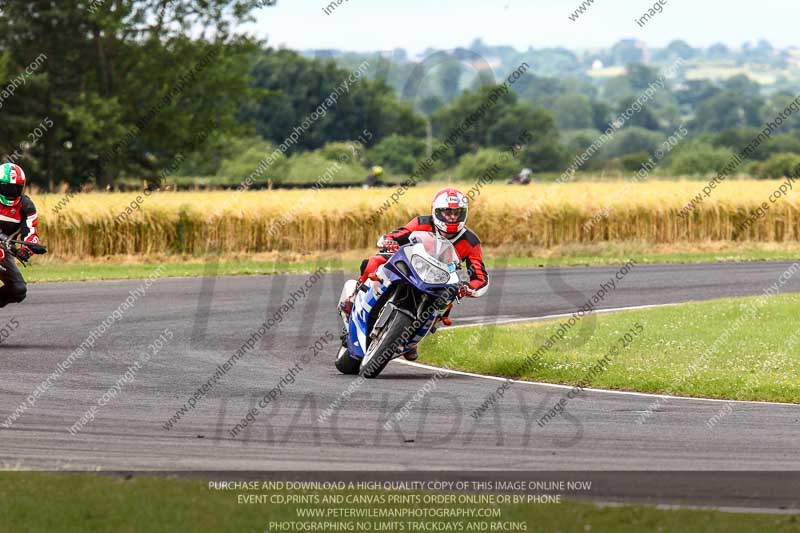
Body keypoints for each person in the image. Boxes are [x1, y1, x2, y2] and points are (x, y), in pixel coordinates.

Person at [354, 187, 489, 360]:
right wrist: (389, 241)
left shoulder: (471, 241)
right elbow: (398, 234)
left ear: (464, 213)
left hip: (441, 278)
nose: (452, 217)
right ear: (436, 211)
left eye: (457, 213)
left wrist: (468, 287)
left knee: (447, 299)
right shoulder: (422, 222)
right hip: (412, 265)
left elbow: (480, 276)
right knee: (374, 262)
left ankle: (412, 336)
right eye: (447, 212)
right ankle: (355, 295)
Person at [0, 163, 44, 307]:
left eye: (16, 188)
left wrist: (26, 250)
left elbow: (31, 231)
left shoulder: (26, 206)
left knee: (18, 290)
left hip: (4, 249)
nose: (11, 192)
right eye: (6, 187)